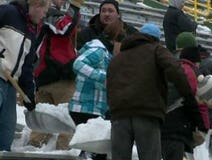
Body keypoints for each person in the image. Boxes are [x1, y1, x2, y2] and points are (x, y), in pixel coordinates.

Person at [107, 23, 198, 160]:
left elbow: (109, 84)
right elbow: (175, 69)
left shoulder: (118, 57)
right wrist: (187, 95)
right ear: (156, 39)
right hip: (147, 113)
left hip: (120, 115)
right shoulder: (156, 50)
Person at [29, 0, 85, 150]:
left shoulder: (36, 17)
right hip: (59, 77)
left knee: (42, 120)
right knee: (67, 119)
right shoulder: (50, 15)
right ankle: (64, 150)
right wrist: (75, 6)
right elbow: (64, 28)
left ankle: (33, 147)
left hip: (43, 77)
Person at [69, 19, 125, 160]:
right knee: (93, 152)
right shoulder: (99, 50)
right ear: (115, 40)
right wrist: (103, 77)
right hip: (85, 107)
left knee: (97, 153)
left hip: (95, 107)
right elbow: (78, 64)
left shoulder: (107, 54)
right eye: (122, 46)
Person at [0, 0, 50, 151]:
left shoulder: (31, 30)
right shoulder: (8, 12)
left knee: (7, 128)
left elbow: (27, 67)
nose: (43, 16)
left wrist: (29, 96)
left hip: (10, 85)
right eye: (44, 12)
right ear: (37, 6)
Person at [161, 35, 206, 160]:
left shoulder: (168, 62)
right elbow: (191, 98)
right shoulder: (188, 70)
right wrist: (201, 124)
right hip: (177, 125)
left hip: (165, 122)